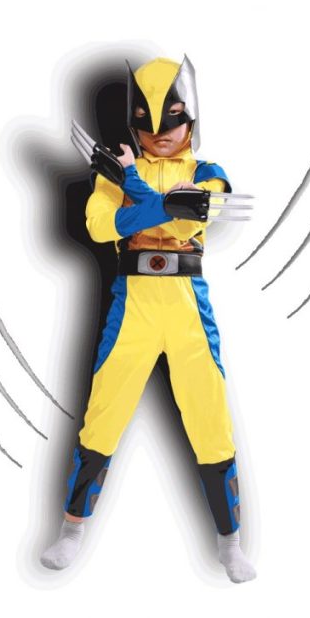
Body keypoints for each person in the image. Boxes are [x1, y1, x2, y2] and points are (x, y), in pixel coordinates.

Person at [40, 56, 256, 583]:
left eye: (172, 122)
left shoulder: (207, 173)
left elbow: (187, 224)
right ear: (133, 123)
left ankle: (230, 543)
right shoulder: (114, 173)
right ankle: (71, 530)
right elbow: (101, 227)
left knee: (210, 419)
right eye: (147, 124)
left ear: (191, 120)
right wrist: (158, 201)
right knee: (103, 414)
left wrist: (132, 184)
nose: (160, 134)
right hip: (131, 302)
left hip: (186, 306)